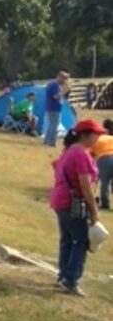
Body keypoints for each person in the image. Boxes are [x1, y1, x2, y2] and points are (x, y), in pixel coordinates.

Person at [50, 120, 103, 296]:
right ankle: (71, 279)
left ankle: (63, 275)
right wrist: (94, 211)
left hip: (59, 199)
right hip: (72, 202)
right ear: (86, 135)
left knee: (67, 239)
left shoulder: (68, 151)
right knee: (81, 239)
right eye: (96, 134)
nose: (98, 138)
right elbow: (86, 185)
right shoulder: (81, 154)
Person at [90, 119, 113, 210]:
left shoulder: (97, 140)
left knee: (105, 182)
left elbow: (90, 155)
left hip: (104, 159)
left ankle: (105, 203)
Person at [43, 71, 70, 147]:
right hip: (53, 108)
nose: (65, 81)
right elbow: (55, 96)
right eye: (64, 78)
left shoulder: (55, 84)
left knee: (52, 125)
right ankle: (51, 142)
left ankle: (47, 140)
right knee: (54, 125)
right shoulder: (54, 85)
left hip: (54, 108)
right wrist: (64, 91)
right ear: (59, 77)